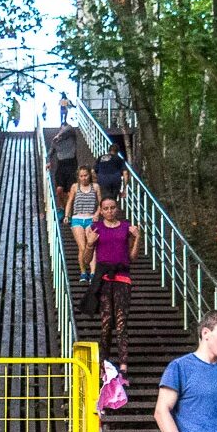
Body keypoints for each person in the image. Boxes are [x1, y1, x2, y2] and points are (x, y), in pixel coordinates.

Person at [84, 198, 141, 379]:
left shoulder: (126, 228)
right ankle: (104, 363)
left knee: (122, 322)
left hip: (123, 278)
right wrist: (90, 243)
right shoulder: (96, 229)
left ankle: (123, 365)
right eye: (106, 209)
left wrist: (138, 237)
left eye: (112, 208)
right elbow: (86, 260)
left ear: (117, 209)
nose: (109, 211)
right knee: (106, 322)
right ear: (101, 211)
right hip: (105, 279)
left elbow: (132, 257)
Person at [65, 166, 102, 282]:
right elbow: (70, 201)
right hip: (77, 218)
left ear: (89, 175)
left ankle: (93, 272)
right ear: (78, 177)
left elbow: (101, 203)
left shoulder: (95, 187)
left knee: (91, 246)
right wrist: (67, 215)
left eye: (85, 175)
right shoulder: (75, 187)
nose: (83, 178)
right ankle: (83, 272)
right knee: (82, 247)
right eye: (81, 176)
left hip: (91, 218)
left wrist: (97, 213)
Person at [48, 122, 79, 206]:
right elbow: (50, 153)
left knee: (70, 191)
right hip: (61, 165)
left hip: (71, 163)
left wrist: (60, 134)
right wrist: (48, 162)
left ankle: (70, 208)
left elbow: (69, 128)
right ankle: (62, 206)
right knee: (59, 190)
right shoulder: (56, 141)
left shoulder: (72, 136)